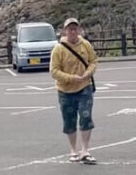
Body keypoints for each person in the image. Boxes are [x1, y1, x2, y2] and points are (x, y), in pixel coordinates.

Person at [49, 17, 99, 164]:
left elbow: (93, 61)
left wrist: (88, 73)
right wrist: (71, 78)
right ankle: (73, 149)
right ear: (65, 31)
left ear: (79, 30)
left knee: (85, 116)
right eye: (70, 29)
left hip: (85, 87)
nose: (73, 31)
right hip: (65, 90)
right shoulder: (58, 49)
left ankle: (85, 150)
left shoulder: (86, 45)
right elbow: (54, 71)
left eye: (75, 28)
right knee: (69, 120)